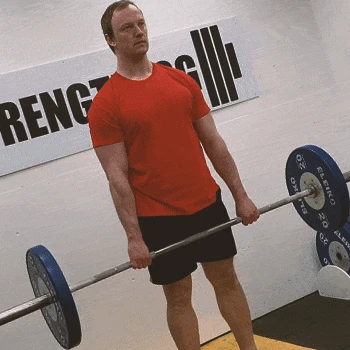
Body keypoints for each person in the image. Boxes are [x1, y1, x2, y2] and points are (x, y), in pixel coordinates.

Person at [87, 1, 260, 349]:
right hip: (158, 217)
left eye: (141, 23)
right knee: (179, 297)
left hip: (206, 202)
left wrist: (240, 195)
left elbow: (215, 144)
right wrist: (134, 237)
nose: (138, 31)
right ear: (110, 40)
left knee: (226, 280)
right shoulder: (106, 105)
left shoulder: (180, 81)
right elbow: (117, 177)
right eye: (127, 28)